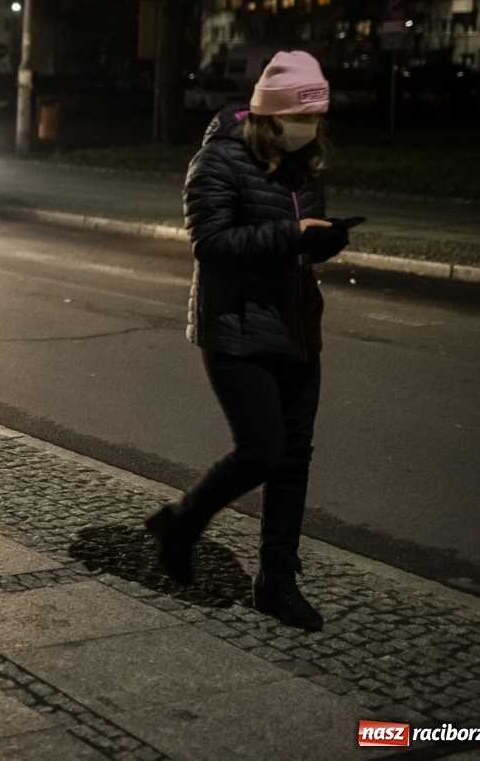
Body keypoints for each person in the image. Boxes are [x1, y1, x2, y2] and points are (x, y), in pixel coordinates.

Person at [146, 50, 351, 632]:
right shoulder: (218, 161)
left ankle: (276, 581)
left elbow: (296, 242)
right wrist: (291, 235)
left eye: (317, 120)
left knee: (294, 461)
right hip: (235, 330)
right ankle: (183, 520)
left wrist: (320, 243)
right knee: (262, 451)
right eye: (302, 119)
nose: (310, 131)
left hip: (298, 329)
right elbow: (210, 244)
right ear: (271, 115)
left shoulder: (303, 164)